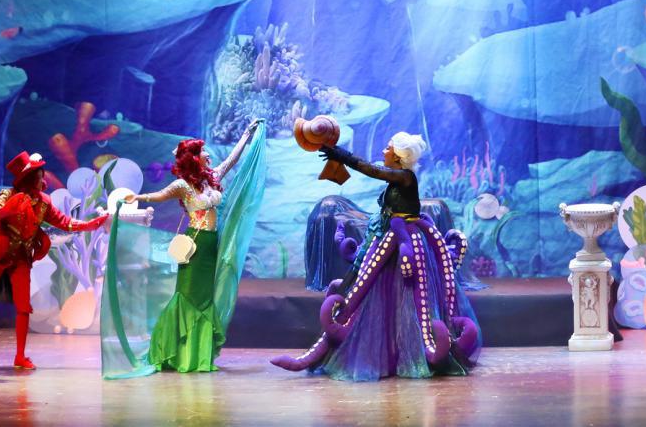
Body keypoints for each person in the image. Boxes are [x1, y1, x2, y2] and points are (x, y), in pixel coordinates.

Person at [272, 131, 481, 381]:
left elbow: (372, 170)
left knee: (408, 298)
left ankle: (414, 352)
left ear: (398, 155)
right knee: (372, 292)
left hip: (407, 241)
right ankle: (383, 353)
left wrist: (340, 154)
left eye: (388, 147)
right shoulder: (397, 179)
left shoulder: (405, 177)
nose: (384, 151)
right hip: (388, 237)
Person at [120, 119, 264, 372]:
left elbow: (231, 160)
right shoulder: (183, 185)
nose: (208, 154)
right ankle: (177, 353)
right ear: (194, 158)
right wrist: (137, 197)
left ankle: (198, 355)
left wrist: (246, 135)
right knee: (187, 296)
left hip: (210, 244)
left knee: (205, 298)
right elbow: (160, 195)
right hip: (194, 245)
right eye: (203, 151)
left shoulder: (212, 178)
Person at [0, 151, 106, 369]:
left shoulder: (44, 202)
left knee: (23, 307)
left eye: (42, 175)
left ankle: (20, 356)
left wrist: (91, 224)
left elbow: (65, 222)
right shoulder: (9, 195)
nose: (43, 179)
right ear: (29, 178)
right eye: (39, 176)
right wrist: (7, 208)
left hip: (21, 256)